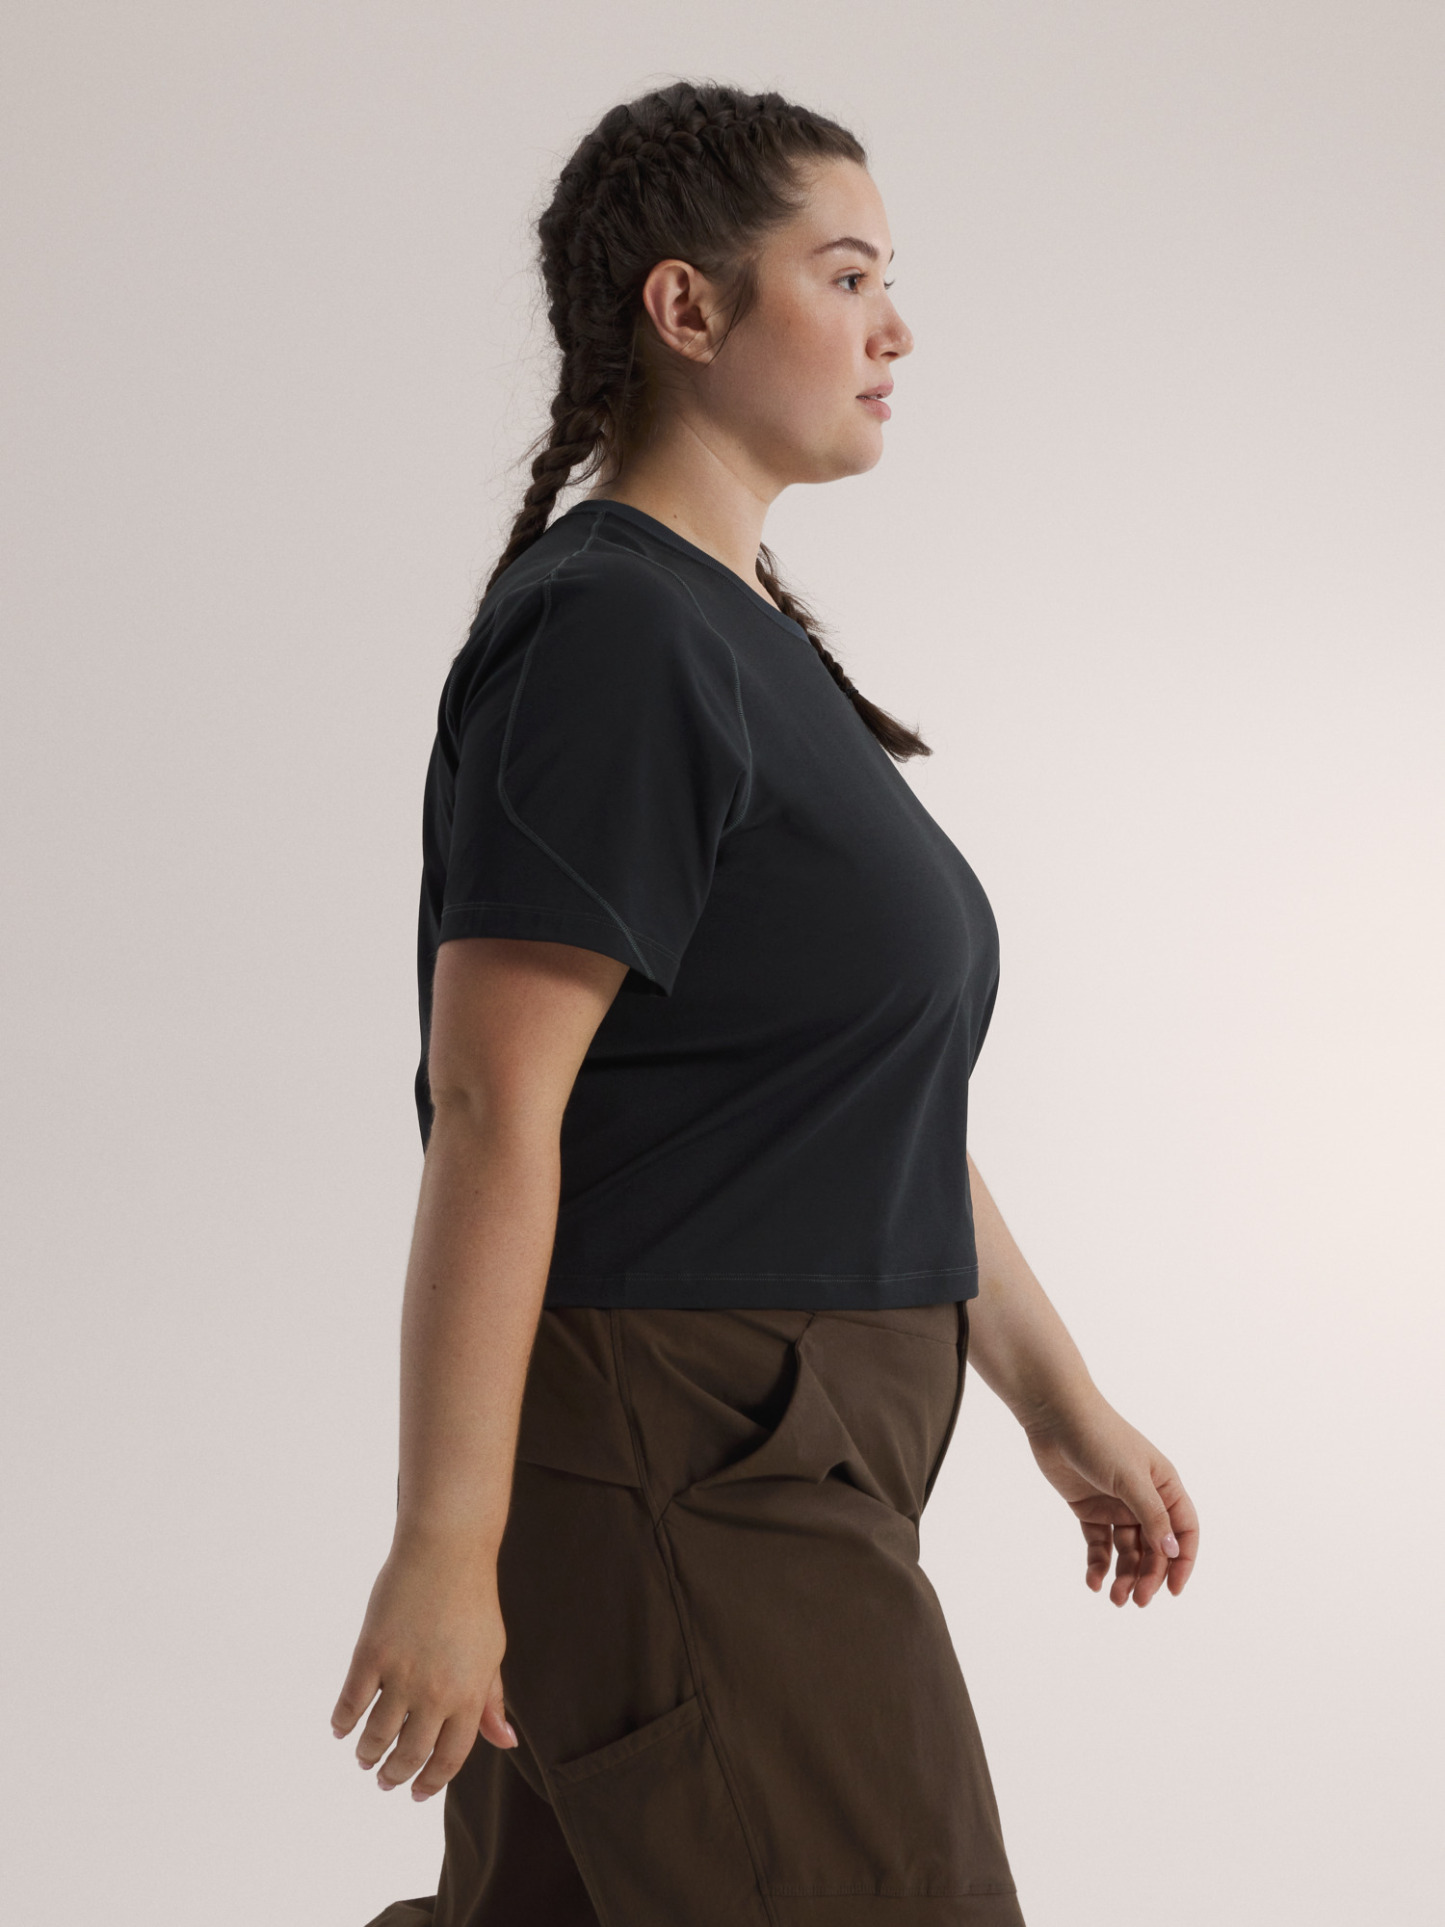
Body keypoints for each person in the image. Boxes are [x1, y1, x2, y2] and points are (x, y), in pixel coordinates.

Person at [334, 80, 1199, 1927]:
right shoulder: (615, 630)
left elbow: (860, 1110)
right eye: (847, 274)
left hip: (766, 1437)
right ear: (687, 308)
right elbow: (493, 1103)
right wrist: (445, 1542)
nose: (896, 329)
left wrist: (1060, 1407)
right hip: (690, 1443)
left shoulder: (739, 640)